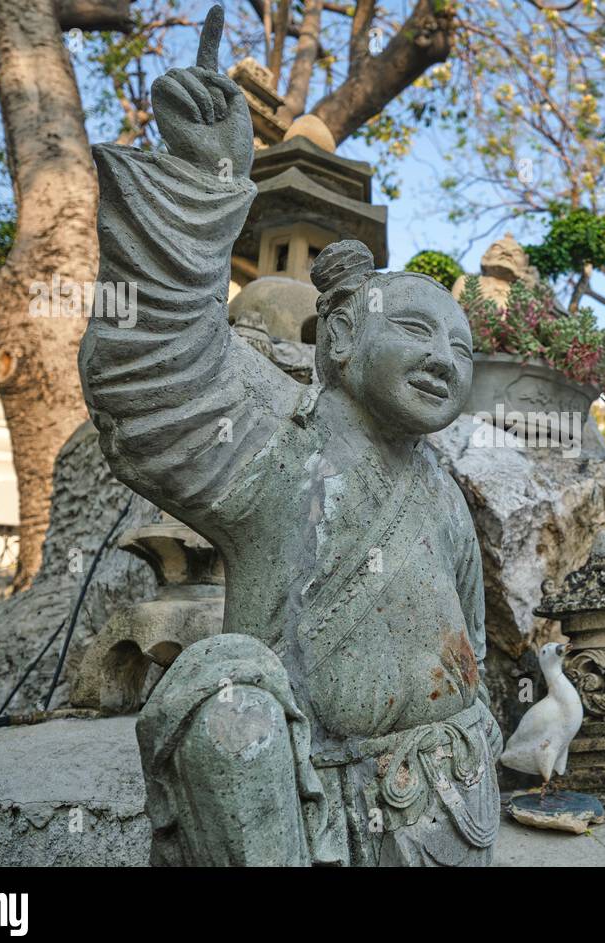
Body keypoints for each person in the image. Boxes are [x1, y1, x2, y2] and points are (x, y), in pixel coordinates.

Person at [79, 7, 500, 866]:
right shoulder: (274, 439)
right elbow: (159, 368)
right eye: (417, 331)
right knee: (221, 685)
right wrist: (210, 173)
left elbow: (475, 633)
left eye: (461, 348)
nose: (445, 360)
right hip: (318, 802)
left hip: (451, 795)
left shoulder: (443, 488)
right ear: (340, 341)